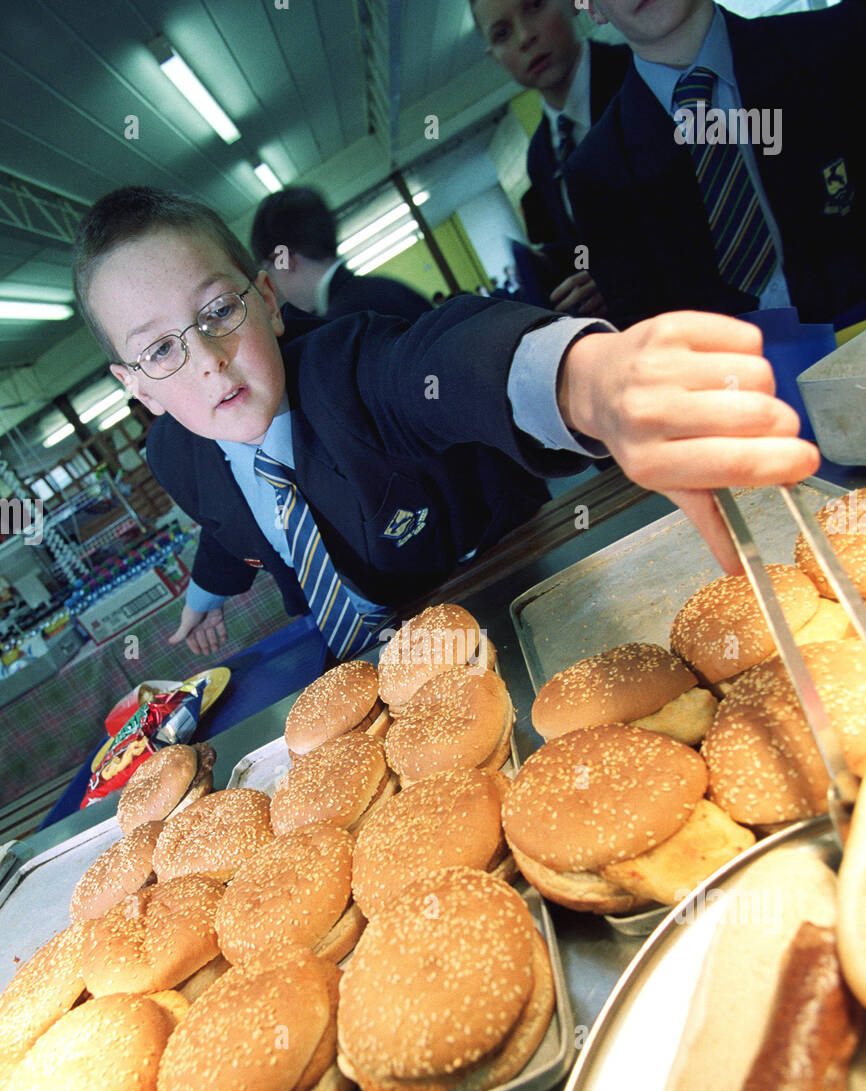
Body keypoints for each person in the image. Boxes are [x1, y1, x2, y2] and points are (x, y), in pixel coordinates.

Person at [72, 186, 818, 657]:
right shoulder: (177, 452)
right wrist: (206, 592)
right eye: (161, 350)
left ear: (267, 299)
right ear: (135, 388)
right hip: (365, 664)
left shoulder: (344, 370)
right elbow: (225, 517)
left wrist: (583, 382)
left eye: (218, 312)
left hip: (497, 580)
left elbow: (437, 360)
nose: (207, 361)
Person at [563, 0, 866, 329]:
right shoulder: (596, 174)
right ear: (593, 9)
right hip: (736, 376)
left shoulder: (842, 41)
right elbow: (651, 337)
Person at [473, 0, 630, 314]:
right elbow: (587, 245)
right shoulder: (540, 156)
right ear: (495, 57)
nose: (524, 38)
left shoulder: (637, 76)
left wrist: (620, 277)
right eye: (502, 34)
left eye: (534, 6)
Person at [250, 186, 431, 324]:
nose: (275, 285)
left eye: (270, 270)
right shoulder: (386, 287)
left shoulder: (343, 323)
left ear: (283, 259)